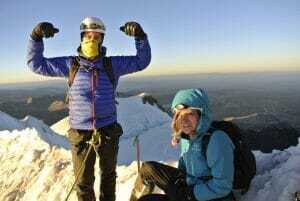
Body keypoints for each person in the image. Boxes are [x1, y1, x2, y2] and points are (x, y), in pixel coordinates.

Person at [27, 17, 151, 201]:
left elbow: (142, 61)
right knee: (83, 182)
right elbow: (36, 64)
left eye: (97, 36)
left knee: (108, 177)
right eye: (88, 35)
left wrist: (140, 37)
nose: (92, 39)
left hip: (108, 130)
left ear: (102, 40)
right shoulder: (71, 65)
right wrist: (35, 38)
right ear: (81, 37)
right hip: (79, 132)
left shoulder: (111, 65)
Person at [129, 89, 235, 201]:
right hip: (188, 186)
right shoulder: (187, 136)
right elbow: (185, 165)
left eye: (190, 113)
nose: (183, 120)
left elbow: (223, 186)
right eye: (179, 114)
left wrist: (189, 194)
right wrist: (179, 181)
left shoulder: (216, 140)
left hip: (205, 196)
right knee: (148, 169)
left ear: (202, 114)